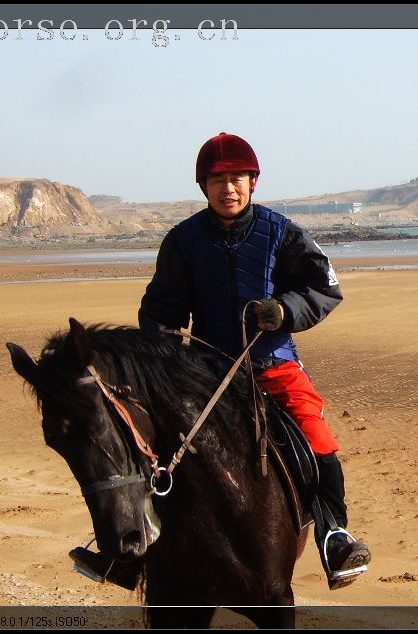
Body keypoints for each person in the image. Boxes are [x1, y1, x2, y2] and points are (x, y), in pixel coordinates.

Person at [137, 132, 371, 589]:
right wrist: (165, 352)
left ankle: (334, 535)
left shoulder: (283, 233)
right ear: (204, 186)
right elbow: (161, 310)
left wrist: (284, 310)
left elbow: (325, 288)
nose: (229, 188)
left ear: (253, 181)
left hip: (273, 363)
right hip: (206, 373)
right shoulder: (182, 241)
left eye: (237, 178)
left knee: (316, 433)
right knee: (150, 444)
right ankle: (136, 547)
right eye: (218, 179)